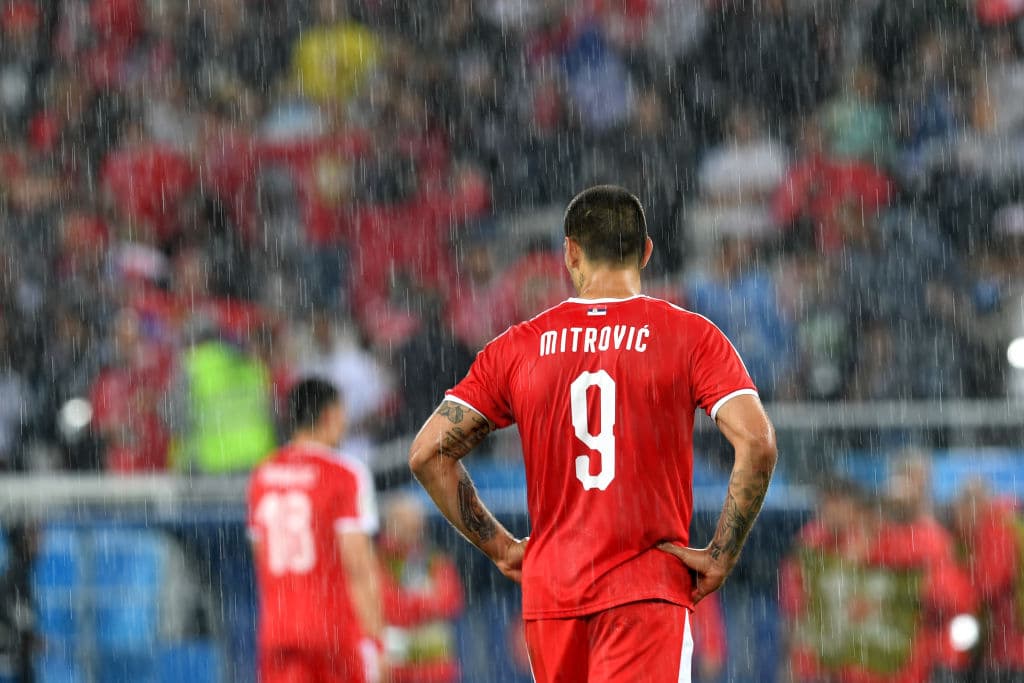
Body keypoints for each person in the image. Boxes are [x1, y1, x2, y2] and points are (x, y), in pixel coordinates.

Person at [409, 185, 778, 682]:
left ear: (570, 253)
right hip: (644, 590)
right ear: (646, 251)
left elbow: (427, 453)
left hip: (553, 594)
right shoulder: (690, 335)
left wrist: (501, 548)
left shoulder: (518, 347)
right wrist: (721, 553)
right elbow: (757, 442)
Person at [248, 378, 385, 683]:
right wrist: (376, 639)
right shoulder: (345, 474)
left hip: (279, 633)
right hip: (333, 632)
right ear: (329, 415)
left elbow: (261, 556)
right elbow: (358, 565)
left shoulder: (262, 475)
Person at [378, 494, 464, 683]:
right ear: (389, 525)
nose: (413, 532)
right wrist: (424, 602)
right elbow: (384, 604)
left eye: (416, 526)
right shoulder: (378, 562)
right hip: (395, 671)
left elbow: (451, 601)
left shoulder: (435, 561)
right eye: (405, 525)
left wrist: (410, 604)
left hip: (436, 671)